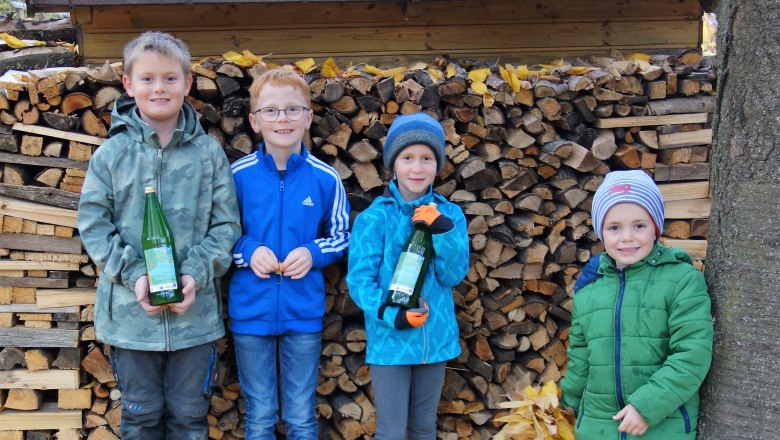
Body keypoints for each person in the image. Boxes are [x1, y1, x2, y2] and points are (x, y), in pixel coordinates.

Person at [78, 31, 241, 439]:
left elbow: (227, 226)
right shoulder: (112, 156)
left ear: (187, 84)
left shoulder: (209, 154)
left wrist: (195, 274)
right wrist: (135, 275)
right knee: (141, 417)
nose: (159, 88)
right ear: (129, 85)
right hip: (132, 322)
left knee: (189, 418)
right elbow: (95, 226)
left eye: (170, 78)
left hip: (195, 317)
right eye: (147, 78)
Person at [229, 68, 350, 439]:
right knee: (260, 416)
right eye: (271, 111)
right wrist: (249, 250)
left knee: (300, 416)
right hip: (251, 312)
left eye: (293, 110)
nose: (283, 119)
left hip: (302, 313)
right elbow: (221, 234)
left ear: (308, 116)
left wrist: (314, 252)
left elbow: (342, 234)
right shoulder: (237, 176)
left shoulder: (325, 178)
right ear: (254, 120)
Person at [560, 170, 713, 440]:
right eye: (614, 227)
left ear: (656, 227)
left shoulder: (682, 280)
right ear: (601, 232)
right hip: (598, 427)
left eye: (639, 225)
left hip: (662, 425)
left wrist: (647, 406)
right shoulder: (589, 291)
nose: (627, 237)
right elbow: (580, 358)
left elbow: (692, 353)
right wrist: (566, 405)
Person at [346, 112, 469, 439]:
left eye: (427, 158)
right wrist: (393, 315)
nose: (417, 168)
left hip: (435, 341)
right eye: (408, 158)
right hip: (391, 342)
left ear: (438, 163)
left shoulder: (450, 214)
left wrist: (441, 230)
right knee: (392, 431)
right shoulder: (374, 219)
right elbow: (359, 282)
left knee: (424, 428)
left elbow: (453, 274)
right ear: (393, 164)